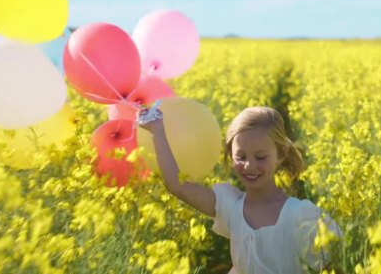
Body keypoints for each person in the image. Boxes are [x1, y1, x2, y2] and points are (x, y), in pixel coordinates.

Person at [139, 105, 341, 274]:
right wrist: (157, 130)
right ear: (229, 154)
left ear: (280, 154)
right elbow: (177, 185)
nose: (249, 166)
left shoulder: (299, 215)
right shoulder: (232, 207)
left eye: (260, 157)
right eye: (241, 157)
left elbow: (337, 264)